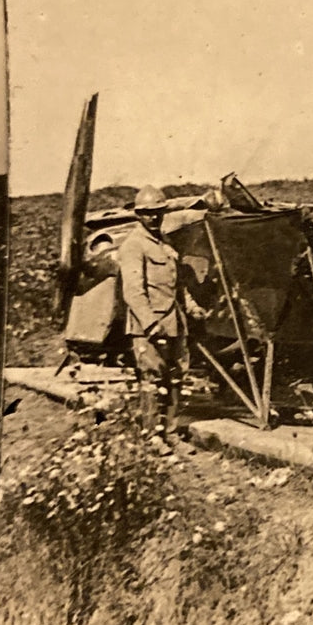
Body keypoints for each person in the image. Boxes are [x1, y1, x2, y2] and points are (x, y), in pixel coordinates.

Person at [117, 185, 205, 447]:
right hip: (150, 326)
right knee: (152, 380)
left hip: (174, 323)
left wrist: (190, 307)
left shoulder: (164, 242)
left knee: (176, 378)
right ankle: (152, 436)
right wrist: (151, 325)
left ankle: (171, 432)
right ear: (138, 214)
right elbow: (133, 291)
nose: (154, 217)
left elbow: (177, 285)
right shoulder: (134, 246)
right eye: (148, 213)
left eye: (158, 212)